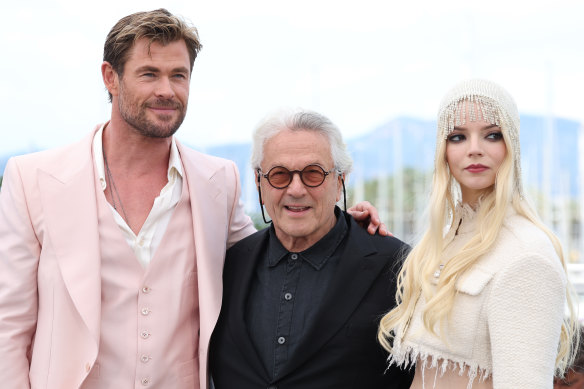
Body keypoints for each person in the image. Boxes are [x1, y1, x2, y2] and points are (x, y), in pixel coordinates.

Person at [0, 9, 384, 389]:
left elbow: (270, 257)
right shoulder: (34, 178)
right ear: (110, 78)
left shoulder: (218, 180)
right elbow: (8, 325)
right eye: (149, 74)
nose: (167, 90)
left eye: (178, 75)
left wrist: (341, 224)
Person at [377, 79, 579, 389]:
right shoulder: (444, 243)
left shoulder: (527, 252)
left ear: (511, 145)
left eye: (492, 135)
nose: (474, 149)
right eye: (457, 136)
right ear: (443, 151)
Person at [209, 109, 414, 389]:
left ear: (340, 178)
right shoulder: (227, 265)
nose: (296, 189)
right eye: (279, 175)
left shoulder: (398, 267)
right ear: (259, 181)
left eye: (313, 174)